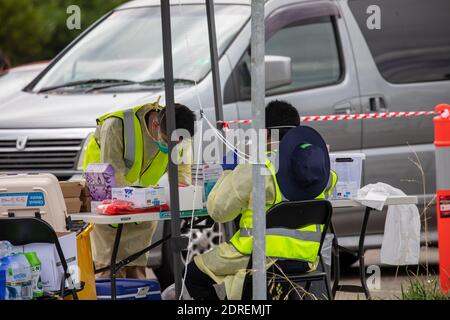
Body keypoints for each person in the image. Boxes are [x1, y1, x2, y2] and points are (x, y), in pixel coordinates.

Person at [185, 100, 338, 300]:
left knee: (193, 274)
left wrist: (228, 174)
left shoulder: (257, 168)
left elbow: (219, 212)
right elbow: (331, 181)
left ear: (265, 134)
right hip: (305, 258)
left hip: (257, 256)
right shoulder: (321, 172)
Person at [83, 100, 196, 279]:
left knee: (137, 270)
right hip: (108, 204)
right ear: (155, 123)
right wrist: (144, 198)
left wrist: (184, 193)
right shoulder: (117, 126)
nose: (171, 148)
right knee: (111, 271)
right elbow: (113, 178)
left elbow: (183, 172)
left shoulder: (178, 135)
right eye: (167, 142)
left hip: (143, 206)